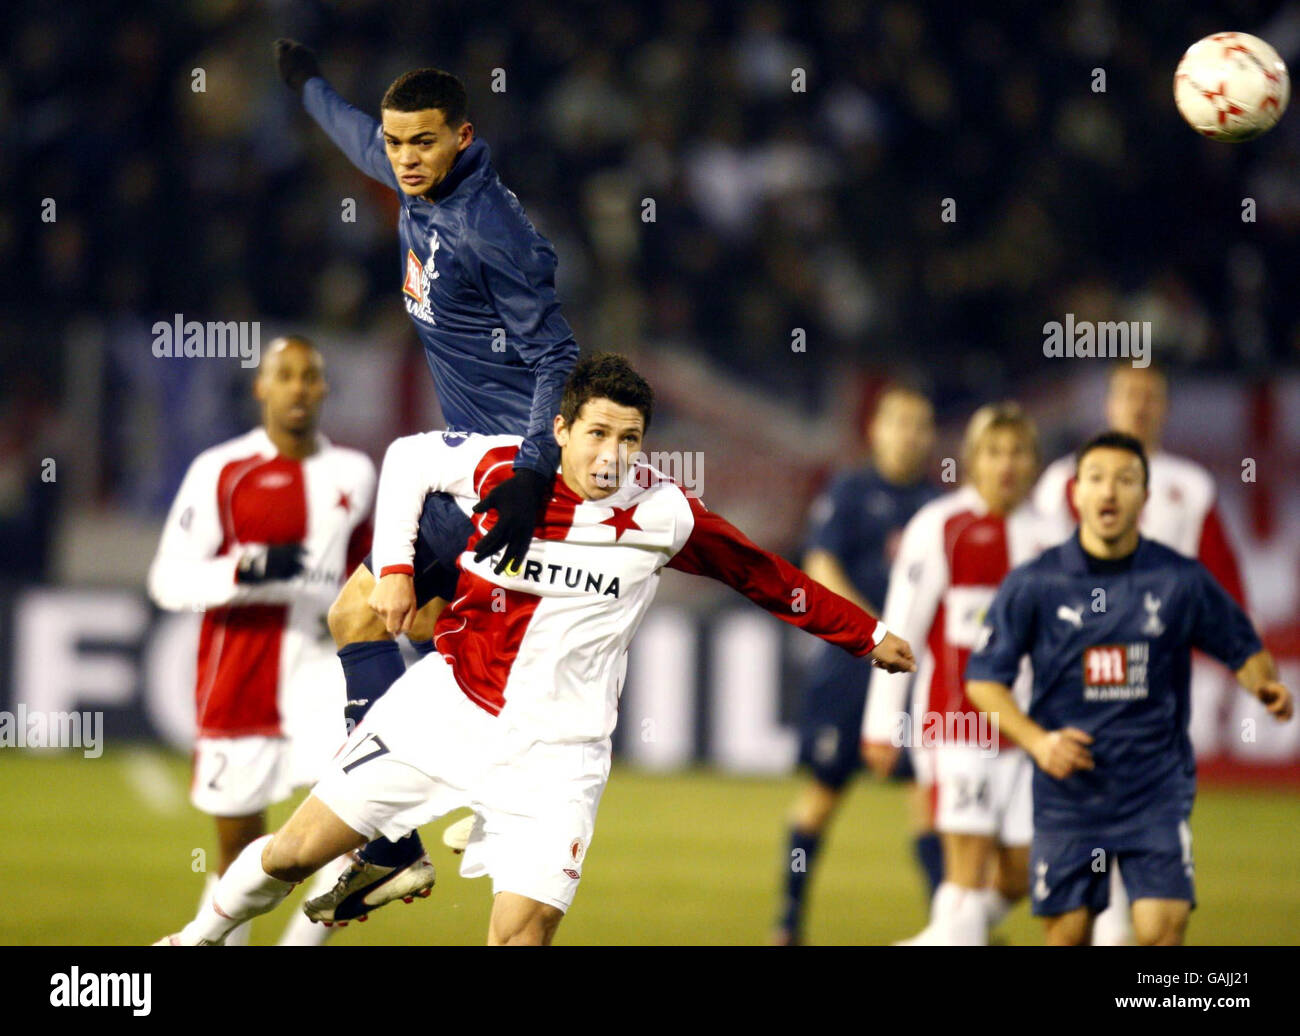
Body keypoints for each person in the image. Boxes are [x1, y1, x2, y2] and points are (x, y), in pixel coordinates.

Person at [157, 354, 916, 946]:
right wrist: (393, 569)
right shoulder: (499, 469)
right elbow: (407, 459)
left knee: (522, 934)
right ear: (559, 429)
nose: (613, 455)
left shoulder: (665, 513)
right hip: (447, 709)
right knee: (292, 853)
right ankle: (198, 936)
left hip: (559, 758)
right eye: (598, 433)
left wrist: (869, 635)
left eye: (629, 438)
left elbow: (767, 577)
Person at [273, 39, 581, 914]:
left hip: (496, 470)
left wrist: (528, 473)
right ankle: (473, 805)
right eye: (397, 141)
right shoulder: (412, 172)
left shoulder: (493, 229)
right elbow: (353, 137)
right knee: (445, 642)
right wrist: (308, 86)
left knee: (358, 613)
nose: (404, 157)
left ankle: (393, 840)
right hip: (465, 458)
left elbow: (558, 352)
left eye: (422, 143)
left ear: (462, 137)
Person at [967, 431, 1292, 946]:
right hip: (1069, 793)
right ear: (1075, 493)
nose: (1109, 492)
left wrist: (1264, 685)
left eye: (1125, 480)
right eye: (1096, 479)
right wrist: (1038, 742)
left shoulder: (1179, 579)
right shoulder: (1035, 583)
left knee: (1162, 929)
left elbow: (1241, 645)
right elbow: (985, 681)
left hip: (1153, 789)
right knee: (1068, 935)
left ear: (1145, 495)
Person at [147, 336, 376, 945]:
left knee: (356, 823)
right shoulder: (220, 470)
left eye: (309, 375)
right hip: (239, 677)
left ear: (323, 387)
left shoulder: (354, 474)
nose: (298, 387)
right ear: (262, 388)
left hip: (323, 671)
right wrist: (244, 571)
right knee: (239, 854)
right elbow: (167, 581)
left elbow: (367, 578)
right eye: (286, 375)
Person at [1032, 363, 1248, 944]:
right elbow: (1034, 579)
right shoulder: (1060, 482)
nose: (1139, 405)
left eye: (1151, 395)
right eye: (1129, 394)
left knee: (1153, 862)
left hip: (1157, 692)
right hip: (1073, 687)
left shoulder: (1190, 486)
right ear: (1108, 404)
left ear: (1166, 406)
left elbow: (1224, 590)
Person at [862, 403, 1057, 945]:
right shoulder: (940, 527)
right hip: (956, 728)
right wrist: (882, 725)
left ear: (1034, 462)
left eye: (1018, 452)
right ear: (973, 460)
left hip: (1028, 733)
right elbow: (898, 630)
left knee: (1022, 871)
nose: (1007, 464)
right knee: (966, 871)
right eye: (994, 452)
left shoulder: (1051, 537)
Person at [772, 385, 939, 946]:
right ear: (876, 429)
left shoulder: (937, 508)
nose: (909, 434)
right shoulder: (849, 489)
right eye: (898, 422)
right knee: (822, 795)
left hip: (915, 674)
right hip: (849, 666)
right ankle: (789, 923)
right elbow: (819, 564)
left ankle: (953, 927)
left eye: (919, 424)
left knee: (928, 801)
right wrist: (874, 633)